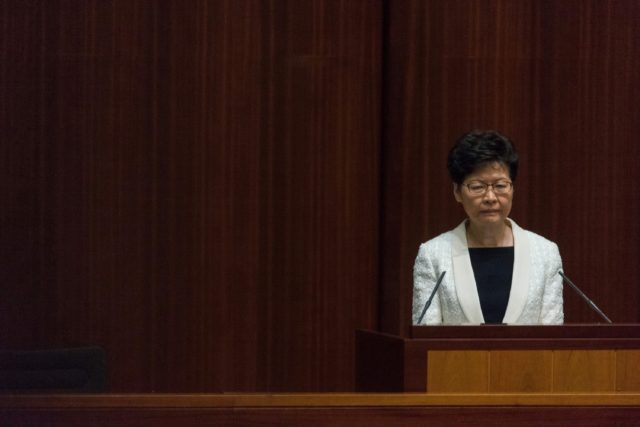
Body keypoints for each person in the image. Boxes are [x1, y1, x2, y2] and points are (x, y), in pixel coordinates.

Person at [412, 130, 563, 325]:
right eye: (477, 186)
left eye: (500, 185)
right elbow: (425, 339)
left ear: (513, 189)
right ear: (457, 191)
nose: (490, 197)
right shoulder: (433, 255)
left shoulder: (545, 253)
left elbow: (553, 340)